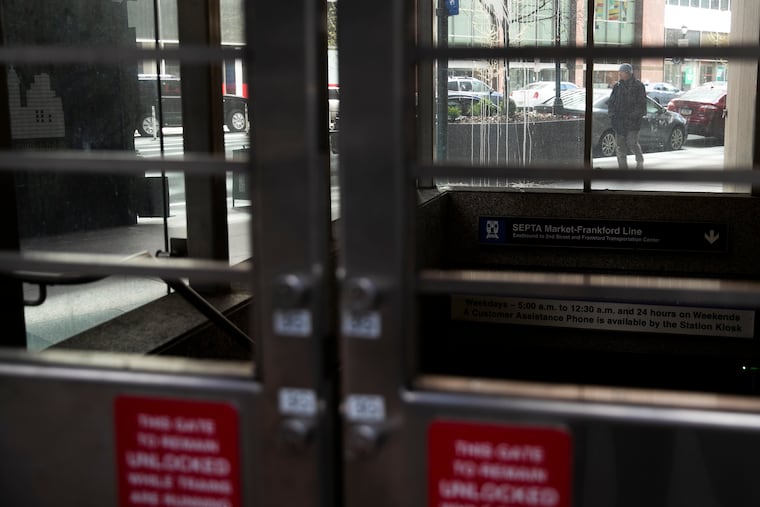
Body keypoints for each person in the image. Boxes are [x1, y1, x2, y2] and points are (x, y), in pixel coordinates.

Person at [608, 63, 647, 169]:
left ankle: (639, 160)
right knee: (620, 146)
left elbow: (642, 104)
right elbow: (611, 102)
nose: (620, 74)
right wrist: (612, 115)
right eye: (620, 72)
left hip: (633, 122)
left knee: (632, 142)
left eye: (622, 72)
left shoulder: (638, 86)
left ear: (628, 73)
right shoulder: (617, 86)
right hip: (619, 121)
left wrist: (634, 115)